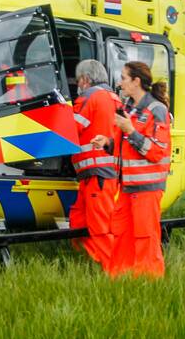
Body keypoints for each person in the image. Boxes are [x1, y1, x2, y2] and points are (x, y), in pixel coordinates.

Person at [93, 60, 171, 279]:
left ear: (136, 81)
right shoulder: (129, 108)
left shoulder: (157, 110)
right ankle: (119, 279)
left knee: (146, 237)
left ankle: (149, 281)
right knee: (121, 234)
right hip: (127, 186)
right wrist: (107, 143)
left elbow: (156, 151)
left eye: (124, 78)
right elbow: (126, 147)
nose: (120, 83)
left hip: (146, 188)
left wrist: (130, 130)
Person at [69, 59, 122, 270]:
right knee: (79, 220)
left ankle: (113, 272)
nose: (77, 86)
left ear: (84, 79)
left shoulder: (88, 97)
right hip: (103, 174)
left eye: (78, 81)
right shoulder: (115, 99)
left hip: (96, 174)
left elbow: (71, 129)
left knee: (100, 227)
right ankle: (87, 265)